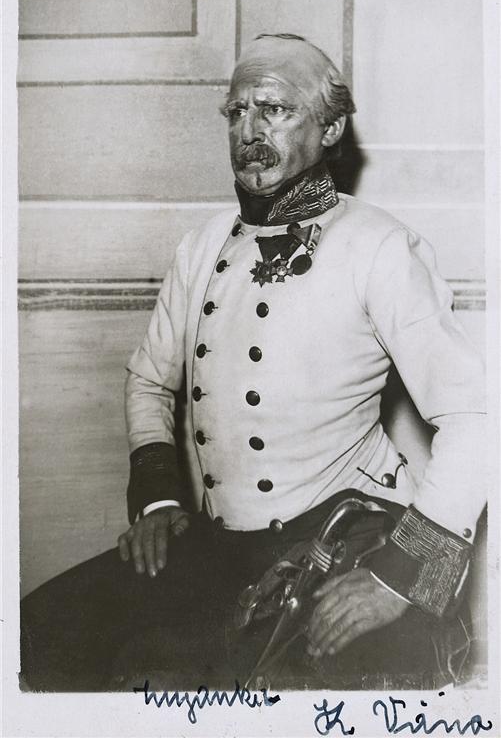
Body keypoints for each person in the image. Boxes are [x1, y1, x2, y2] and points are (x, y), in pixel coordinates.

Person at [20, 34, 486, 692]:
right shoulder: (202, 245)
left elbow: (476, 416)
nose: (250, 131)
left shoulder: (380, 246)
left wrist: (399, 578)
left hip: (345, 534)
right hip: (223, 545)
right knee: (40, 632)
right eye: (237, 111)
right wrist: (158, 500)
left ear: (330, 129)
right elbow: (148, 380)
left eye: (275, 110)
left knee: (313, 688)